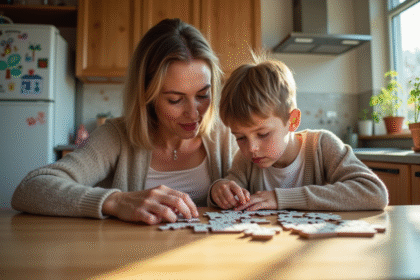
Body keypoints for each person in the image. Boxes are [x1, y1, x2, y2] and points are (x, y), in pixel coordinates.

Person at [11, 18, 238, 225]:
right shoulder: (117, 136)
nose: (193, 113)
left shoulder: (228, 134)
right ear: (147, 96)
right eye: (175, 99)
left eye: (202, 95)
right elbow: (29, 190)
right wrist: (117, 201)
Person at [209, 55, 389, 211]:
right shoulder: (245, 159)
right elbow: (229, 189)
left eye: (263, 134)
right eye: (240, 137)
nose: (251, 148)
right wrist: (219, 190)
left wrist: (281, 198)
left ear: (293, 121)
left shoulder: (322, 146)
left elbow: (374, 192)